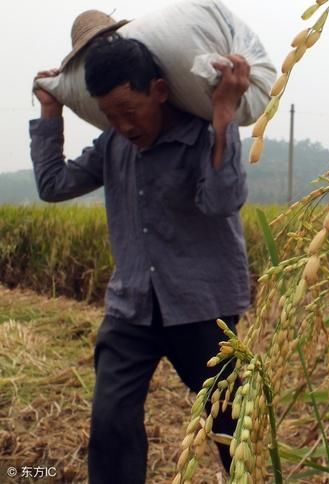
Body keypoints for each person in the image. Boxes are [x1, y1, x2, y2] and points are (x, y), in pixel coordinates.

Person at [30, 12, 251, 484]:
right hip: (131, 305)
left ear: (160, 89)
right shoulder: (113, 145)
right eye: (111, 116)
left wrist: (224, 120)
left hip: (202, 305)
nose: (123, 125)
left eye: (130, 111)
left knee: (231, 423)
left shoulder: (198, 136)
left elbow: (223, 201)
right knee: (110, 420)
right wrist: (51, 114)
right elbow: (53, 184)